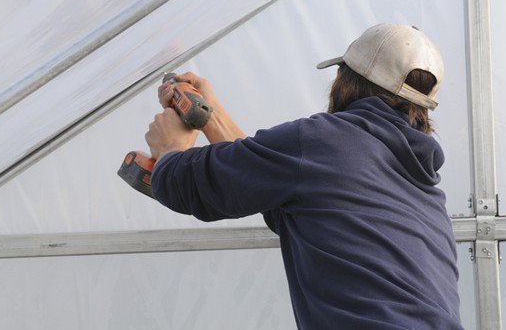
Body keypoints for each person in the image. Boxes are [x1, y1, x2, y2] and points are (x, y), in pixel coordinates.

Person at [144, 23, 463, 329]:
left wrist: (170, 150)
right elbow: (266, 182)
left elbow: (189, 184)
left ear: (343, 79)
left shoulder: (322, 142)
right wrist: (211, 116)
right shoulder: (425, 193)